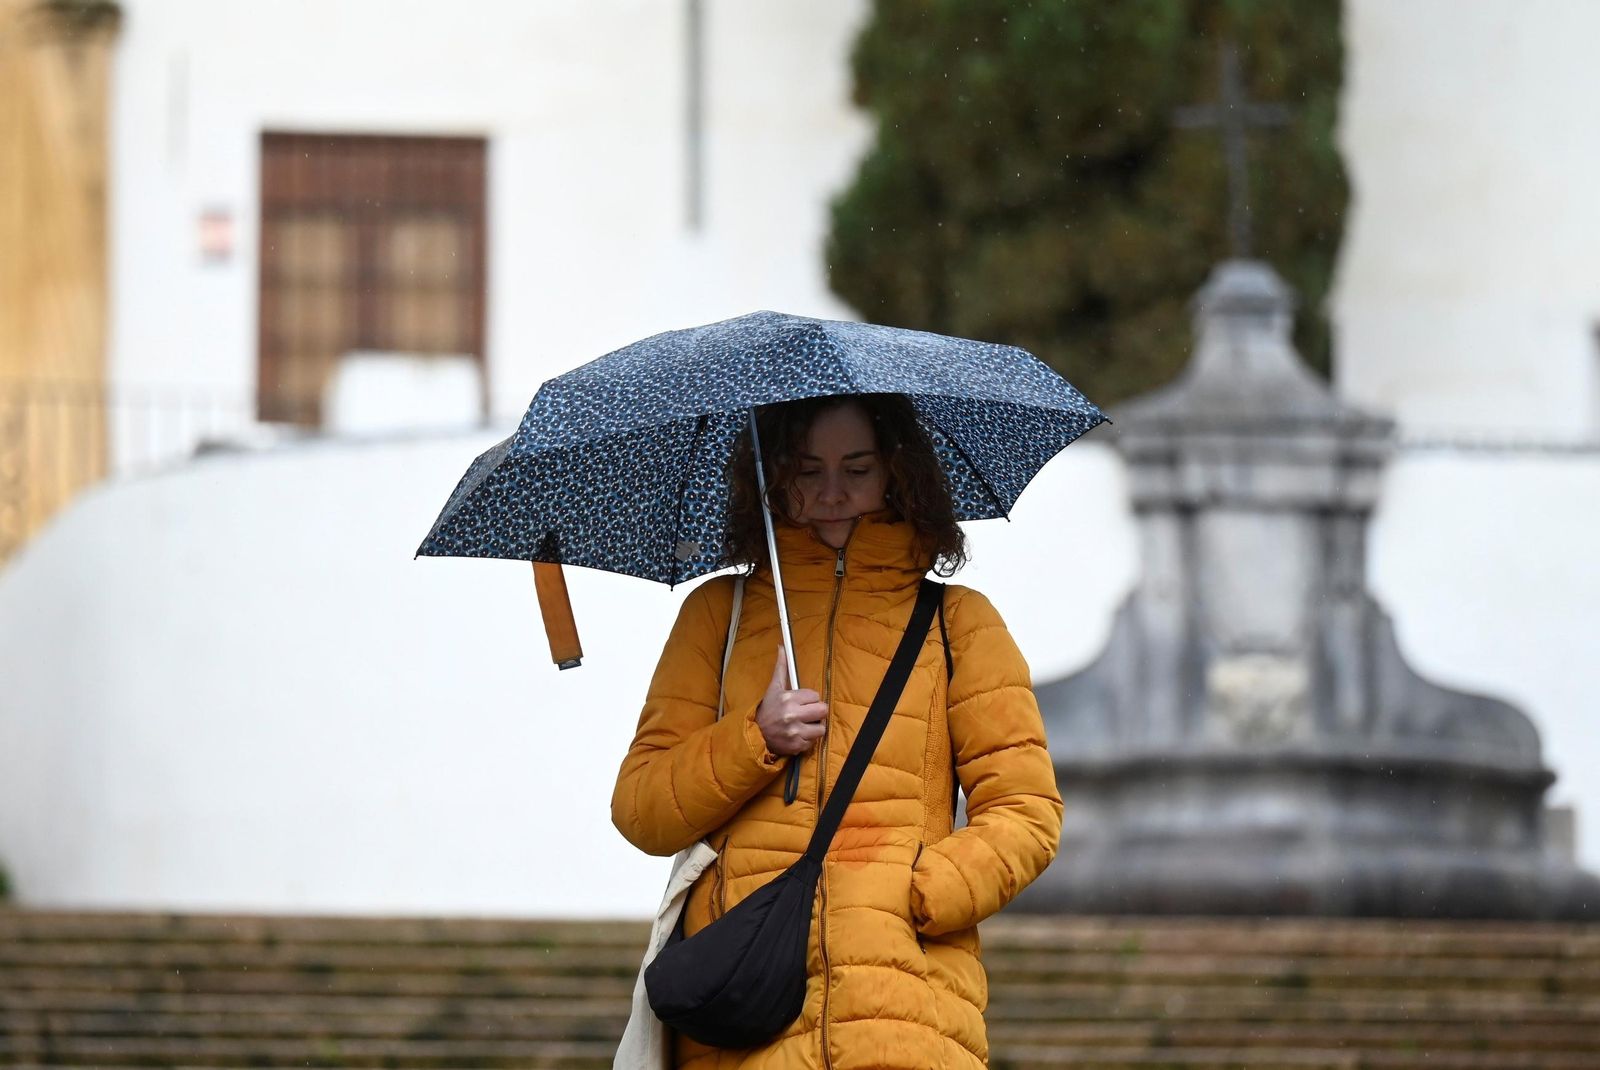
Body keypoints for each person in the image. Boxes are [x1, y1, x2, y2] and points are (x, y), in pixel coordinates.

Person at [612, 393, 1062, 1070]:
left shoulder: (959, 623)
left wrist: (927, 891)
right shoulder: (718, 616)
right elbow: (642, 810)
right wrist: (755, 738)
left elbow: (1026, 811)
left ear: (896, 473)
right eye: (806, 470)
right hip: (745, 1009)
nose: (831, 494)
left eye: (856, 470)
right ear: (771, 477)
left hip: (905, 1009)